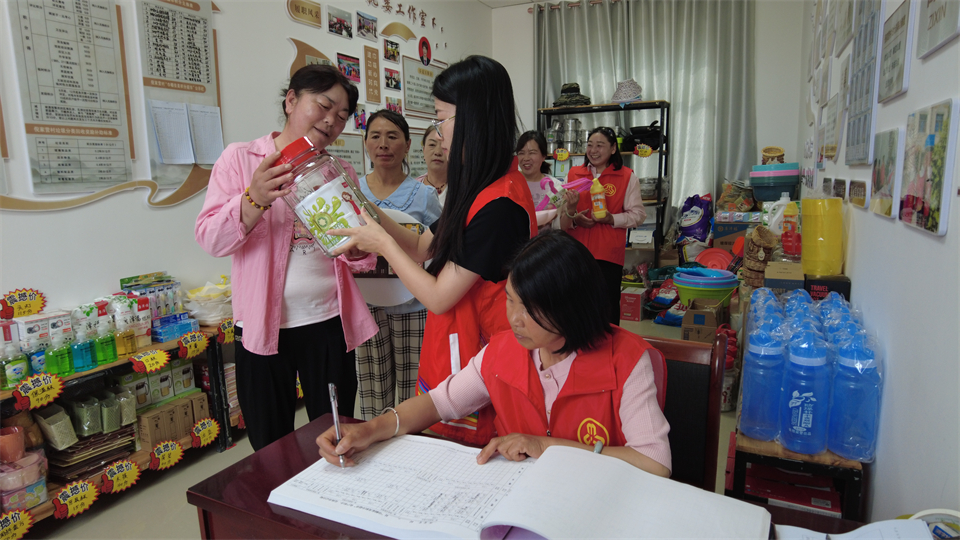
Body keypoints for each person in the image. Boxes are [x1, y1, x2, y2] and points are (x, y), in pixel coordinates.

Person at [317, 231, 671, 476]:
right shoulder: (504, 350)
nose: (514, 319)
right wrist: (369, 430)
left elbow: (654, 463)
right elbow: (438, 404)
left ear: (572, 307)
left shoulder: (627, 359)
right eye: (510, 301)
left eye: (530, 309)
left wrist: (545, 446)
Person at [330, 56, 537, 446]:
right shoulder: (480, 186)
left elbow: (440, 296)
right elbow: (424, 245)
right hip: (457, 344)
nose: (438, 133)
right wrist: (366, 206)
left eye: (441, 119)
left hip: (481, 354)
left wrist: (382, 244)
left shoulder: (501, 204)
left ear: (472, 118)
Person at [195, 65, 378, 451]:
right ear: (291, 100)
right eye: (324, 106)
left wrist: (359, 249)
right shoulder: (242, 160)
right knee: (269, 441)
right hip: (262, 327)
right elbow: (211, 238)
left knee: (335, 431)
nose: (331, 121)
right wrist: (253, 199)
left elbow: (360, 257)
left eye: (342, 116)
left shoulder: (339, 169)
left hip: (328, 322)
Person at [356, 109, 442, 420]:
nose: (383, 144)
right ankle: (373, 441)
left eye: (392, 136)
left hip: (413, 305)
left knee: (412, 392)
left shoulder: (423, 195)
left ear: (406, 145)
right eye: (375, 136)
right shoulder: (353, 191)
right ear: (366, 143)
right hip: (366, 305)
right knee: (372, 391)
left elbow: (438, 248)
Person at [565, 127, 646, 326]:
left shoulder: (626, 176)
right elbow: (562, 211)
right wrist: (575, 217)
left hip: (607, 255)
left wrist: (612, 219)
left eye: (600, 145)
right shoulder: (575, 174)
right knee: (575, 307)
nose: (593, 150)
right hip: (576, 252)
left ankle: (609, 345)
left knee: (606, 309)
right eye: (590, 145)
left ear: (613, 149)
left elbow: (638, 215)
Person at [515, 131, 577, 231]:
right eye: (521, 153)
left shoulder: (555, 186)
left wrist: (571, 209)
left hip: (545, 240)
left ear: (543, 156)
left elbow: (561, 227)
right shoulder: (510, 184)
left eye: (532, 153)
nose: (526, 158)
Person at [415, 125, 448, 206]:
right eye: (432, 145)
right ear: (424, 150)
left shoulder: (464, 187)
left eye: (444, 146)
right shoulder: (413, 188)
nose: (438, 152)